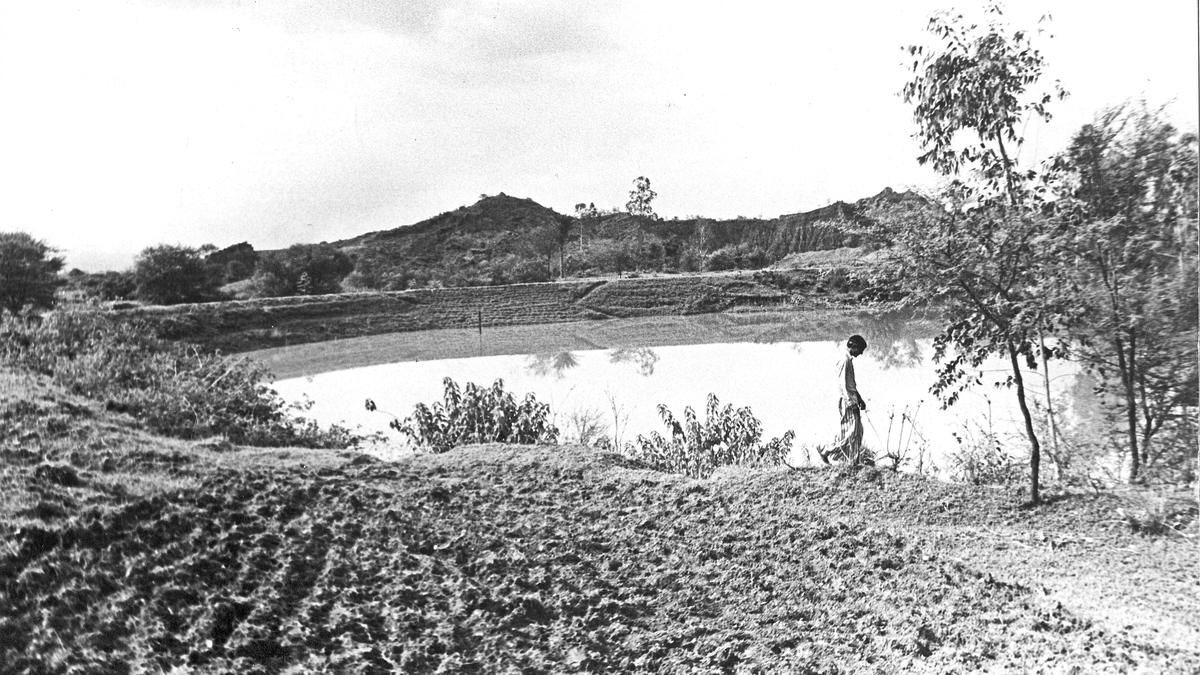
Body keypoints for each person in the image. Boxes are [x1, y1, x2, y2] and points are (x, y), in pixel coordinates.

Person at [824, 334, 868, 464]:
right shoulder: (844, 360)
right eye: (860, 350)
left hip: (852, 399)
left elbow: (850, 384)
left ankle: (853, 462)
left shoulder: (848, 360)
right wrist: (851, 402)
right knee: (851, 432)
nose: (860, 353)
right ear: (853, 346)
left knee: (858, 432)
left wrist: (859, 398)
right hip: (847, 401)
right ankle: (828, 450)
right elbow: (842, 384)